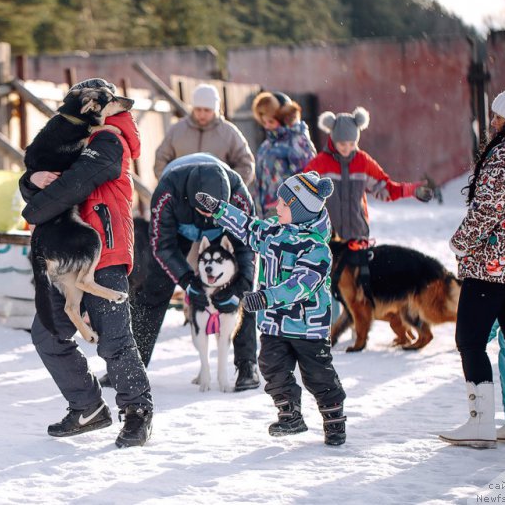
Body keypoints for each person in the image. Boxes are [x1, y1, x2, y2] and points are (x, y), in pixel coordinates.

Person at [19, 78, 153, 448]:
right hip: (70, 257)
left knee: (114, 340)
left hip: (104, 253)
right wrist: (31, 178)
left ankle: (137, 411)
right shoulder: (83, 139)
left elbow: (76, 182)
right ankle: (87, 405)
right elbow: (48, 175)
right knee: (47, 334)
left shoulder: (111, 140)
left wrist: (32, 209)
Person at [195, 170, 347, 446]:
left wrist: (266, 298)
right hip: (275, 325)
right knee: (271, 367)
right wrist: (219, 209)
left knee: (318, 376)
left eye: (284, 204)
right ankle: (290, 415)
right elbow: (247, 227)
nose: (277, 207)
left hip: (307, 327)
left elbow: (302, 284)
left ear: (301, 212)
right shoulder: (273, 232)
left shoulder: (317, 248)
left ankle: (334, 419)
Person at [131, 153, 260, 391]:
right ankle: (132, 366)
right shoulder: (167, 193)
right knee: (155, 288)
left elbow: (247, 247)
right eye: (205, 210)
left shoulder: (239, 196)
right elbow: (162, 246)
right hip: (180, 230)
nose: (210, 215)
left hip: (224, 235)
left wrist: (240, 287)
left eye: (217, 210)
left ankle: (247, 365)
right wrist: (188, 282)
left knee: (245, 293)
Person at [439, 83, 505, 448]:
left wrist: (460, 243)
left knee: (470, 340)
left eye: (497, 116)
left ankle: (480, 423)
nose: (492, 123)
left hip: (491, 264)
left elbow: (487, 208)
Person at [304, 107, 434, 315]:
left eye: (351, 143)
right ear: (332, 139)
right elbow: (302, 190)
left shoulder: (362, 162)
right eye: (341, 144)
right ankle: (328, 324)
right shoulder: (320, 164)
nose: (347, 148)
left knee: (357, 286)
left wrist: (411, 190)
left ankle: (354, 323)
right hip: (328, 236)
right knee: (329, 281)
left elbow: (385, 188)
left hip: (357, 235)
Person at [154, 84, 255, 186]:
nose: (202, 115)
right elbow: (161, 159)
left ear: (215, 109)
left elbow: (246, 164)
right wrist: (169, 185)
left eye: (207, 110)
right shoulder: (177, 130)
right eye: (198, 109)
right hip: (181, 196)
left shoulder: (229, 133)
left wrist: (230, 186)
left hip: (218, 196)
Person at [251, 91, 317, 218]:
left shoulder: (297, 142)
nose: (267, 126)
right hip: (266, 212)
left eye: (271, 121)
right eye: (264, 122)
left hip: (288, 213)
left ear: (284, 119)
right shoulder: (266, 145)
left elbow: (306, 179)